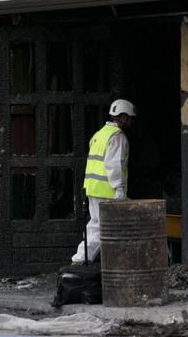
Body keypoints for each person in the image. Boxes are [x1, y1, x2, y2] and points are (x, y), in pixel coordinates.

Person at [71, 99, 136, 264]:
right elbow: (114, 165)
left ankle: (80, 258)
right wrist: (119, 190)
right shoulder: (118, 137)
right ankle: (115, 262)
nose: (131, 121)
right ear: (122, 117)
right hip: (108, 191)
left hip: (93, 189)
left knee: (95, 226)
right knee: (107, 228)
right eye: (130, 117)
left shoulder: (100, 134)